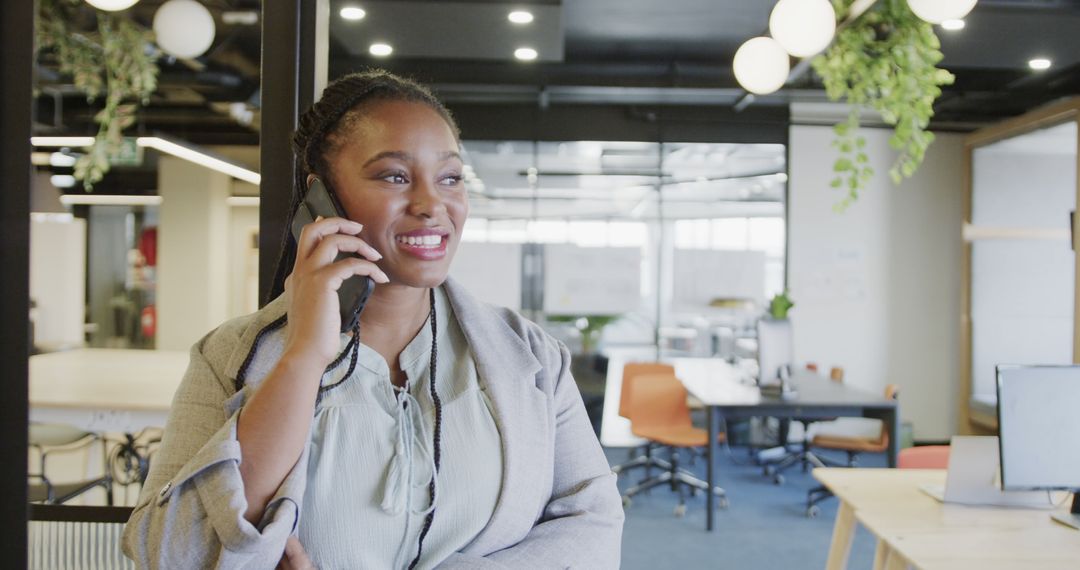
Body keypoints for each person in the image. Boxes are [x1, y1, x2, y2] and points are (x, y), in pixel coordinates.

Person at [121, 69, 624, 568]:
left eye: (450, 177)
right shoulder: (227, 355)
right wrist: (303, 357)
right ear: (324, 197)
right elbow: (169, 555)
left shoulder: (531, 354)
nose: (433, 205)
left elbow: (594, 528)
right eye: (394, 176)